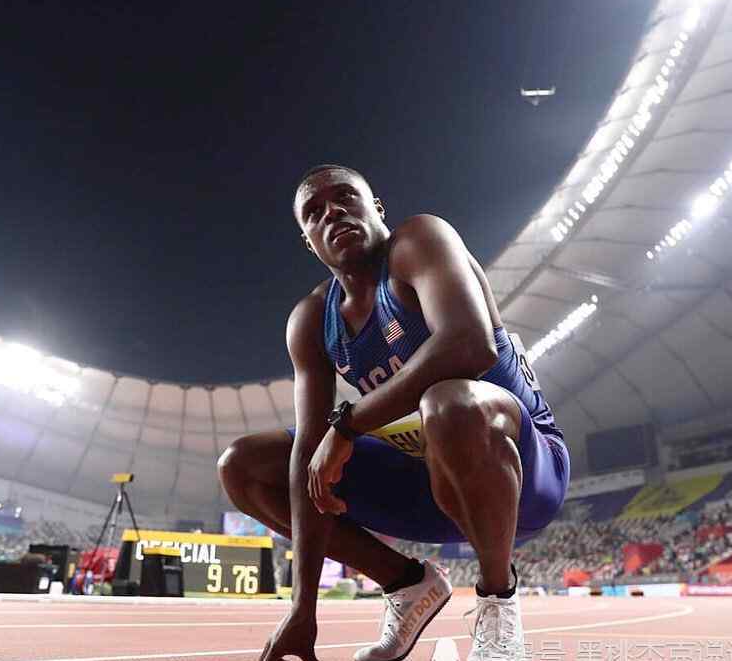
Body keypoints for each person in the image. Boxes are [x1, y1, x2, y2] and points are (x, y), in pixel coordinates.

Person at [218, 165, 570, 661]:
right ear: (308, 242)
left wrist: (350, 424)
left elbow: (468, 345)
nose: (332, 212)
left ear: (376, 208)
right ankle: (406, 584)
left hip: (524, 474)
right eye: (314, 213)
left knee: (448, 403)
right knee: (244, 466)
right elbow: (307, 456)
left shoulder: (419, 242)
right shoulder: (312, 320)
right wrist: (302, 607)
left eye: (344, 198)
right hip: (428, 483)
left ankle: (498, 603)